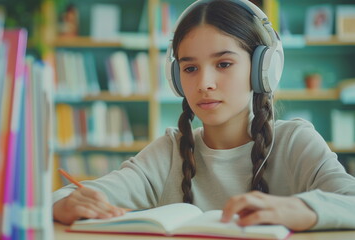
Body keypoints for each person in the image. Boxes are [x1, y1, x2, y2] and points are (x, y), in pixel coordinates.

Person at [52, 0, 355, 231]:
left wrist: (302, 209)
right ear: (176, 77)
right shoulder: (169, 152)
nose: (204, 84)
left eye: (223, 64)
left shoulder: (295, 143)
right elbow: (64, 197)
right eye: (190, 68)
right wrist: (65, 204)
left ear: (264, 69)